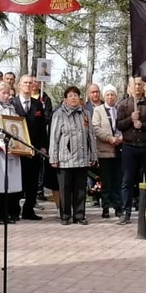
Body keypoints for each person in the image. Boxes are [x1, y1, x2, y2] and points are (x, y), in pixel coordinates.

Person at [116, 77, 146, 224]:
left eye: (140, 84)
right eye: (135, 84)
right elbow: (119, 125)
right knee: (126, 180)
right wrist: (131, 119)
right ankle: (125, 212)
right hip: (129, 147)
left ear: (144, 87)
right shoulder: (124, 105)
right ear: (130, 86)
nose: (137, 87)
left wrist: (143, 125)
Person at [50, 85, 96, 224]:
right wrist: (54, 157)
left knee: (80, 189)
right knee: (65, 189)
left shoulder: (86, 114)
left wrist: (93, 155)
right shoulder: (59, 114)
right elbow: (54, 137)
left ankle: (79, 215)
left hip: (82, 158)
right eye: (70, 96)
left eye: (76, 95)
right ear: (65, 99)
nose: (73, 98)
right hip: (65, 158)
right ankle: (65, 216)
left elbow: (91, 136)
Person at [0, 80, 23, 224]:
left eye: (8, 93)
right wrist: (3, 145)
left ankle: (8, 212)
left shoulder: (12, 109)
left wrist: (18, 145)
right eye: (4, 93)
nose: (7, 96)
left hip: (12, 149)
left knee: (11, 182)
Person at [15, 75, 49, 220]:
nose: (28, 85)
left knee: (33, 182)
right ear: (19, 85)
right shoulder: (12, 103)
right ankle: (14, 210)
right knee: (17, 181)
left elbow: (42, 128)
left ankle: (29, 209)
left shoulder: (38, 104)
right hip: (17, 149)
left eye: (30, 83)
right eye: (25, 83)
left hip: (34, 149)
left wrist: (43, 146)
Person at [91, 84, 124, 218]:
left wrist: (121, 138)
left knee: (117, 181)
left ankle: (118, 206)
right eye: (108, 95)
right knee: (105, 181)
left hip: (119, 150)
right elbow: (96, 128)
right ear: (104, 96)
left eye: (113, 94)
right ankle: (105, 207)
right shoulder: (98, 110)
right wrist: (109, 138)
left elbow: (125, 125)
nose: (110, 97)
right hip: (104, 150)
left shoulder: (120, 109)